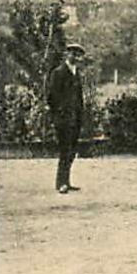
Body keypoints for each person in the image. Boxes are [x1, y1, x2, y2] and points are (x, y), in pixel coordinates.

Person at [45, 43, 86, 193]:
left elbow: (79, 97)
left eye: (78, 54)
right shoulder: (59, 72)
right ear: (67, 54)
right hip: (63, 119)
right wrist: (59, 113)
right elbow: (51, 96)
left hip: (75, 118)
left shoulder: (76, 73)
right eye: (72, 53)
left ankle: (66, 181)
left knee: (72, 150)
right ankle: (60, 183)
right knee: (64, 150)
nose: (75, 57)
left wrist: (80, 114)